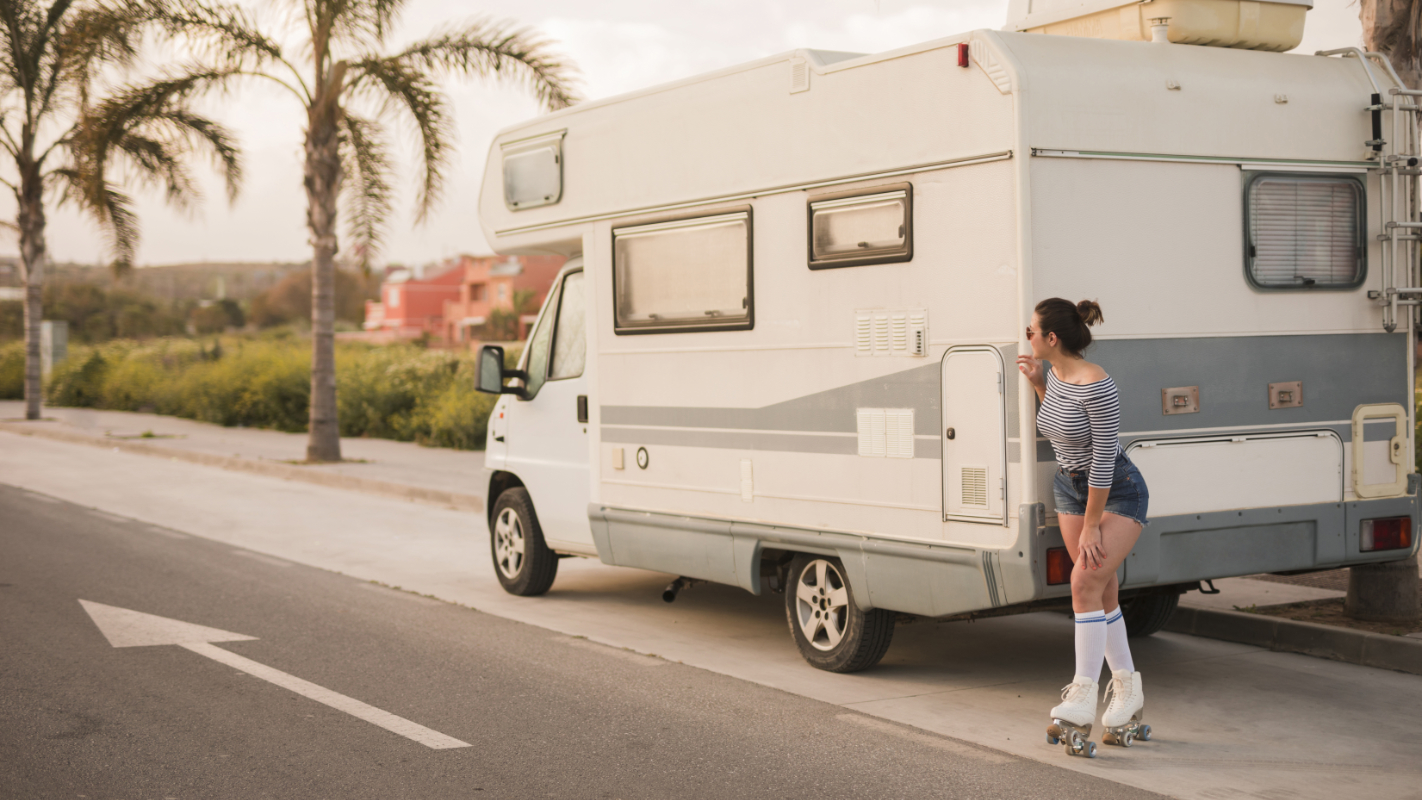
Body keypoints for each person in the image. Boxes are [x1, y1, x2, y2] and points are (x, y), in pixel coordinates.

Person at [1016, 298, 1150, 755]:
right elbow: (1060, 427)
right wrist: (1038, 385)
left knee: (1082, 583)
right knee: (1100, 587)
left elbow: (1101, 460)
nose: (1026, 337)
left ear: (1051, 338)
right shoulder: (1054, 374)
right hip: (1069, 489)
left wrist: (1094, 524)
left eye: (1031, 330)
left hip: (1114, 491)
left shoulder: (1099, 386)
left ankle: (1082, 694)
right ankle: (1128, 689)